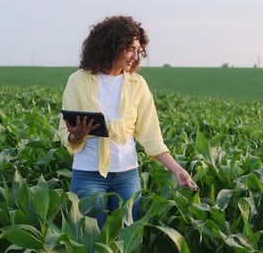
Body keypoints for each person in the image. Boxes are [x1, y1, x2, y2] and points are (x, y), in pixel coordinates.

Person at [58, 15, 197, 229]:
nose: (135, 56)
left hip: (127, 175)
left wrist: (177, 170)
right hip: (88, 174)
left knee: (127, 240)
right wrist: (76, 135)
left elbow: (152, 137)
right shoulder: (78, 81)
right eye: (130, 48)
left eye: (138, 50)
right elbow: (64, 130)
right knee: (91, 241)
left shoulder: (137, 85)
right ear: (111, 46)